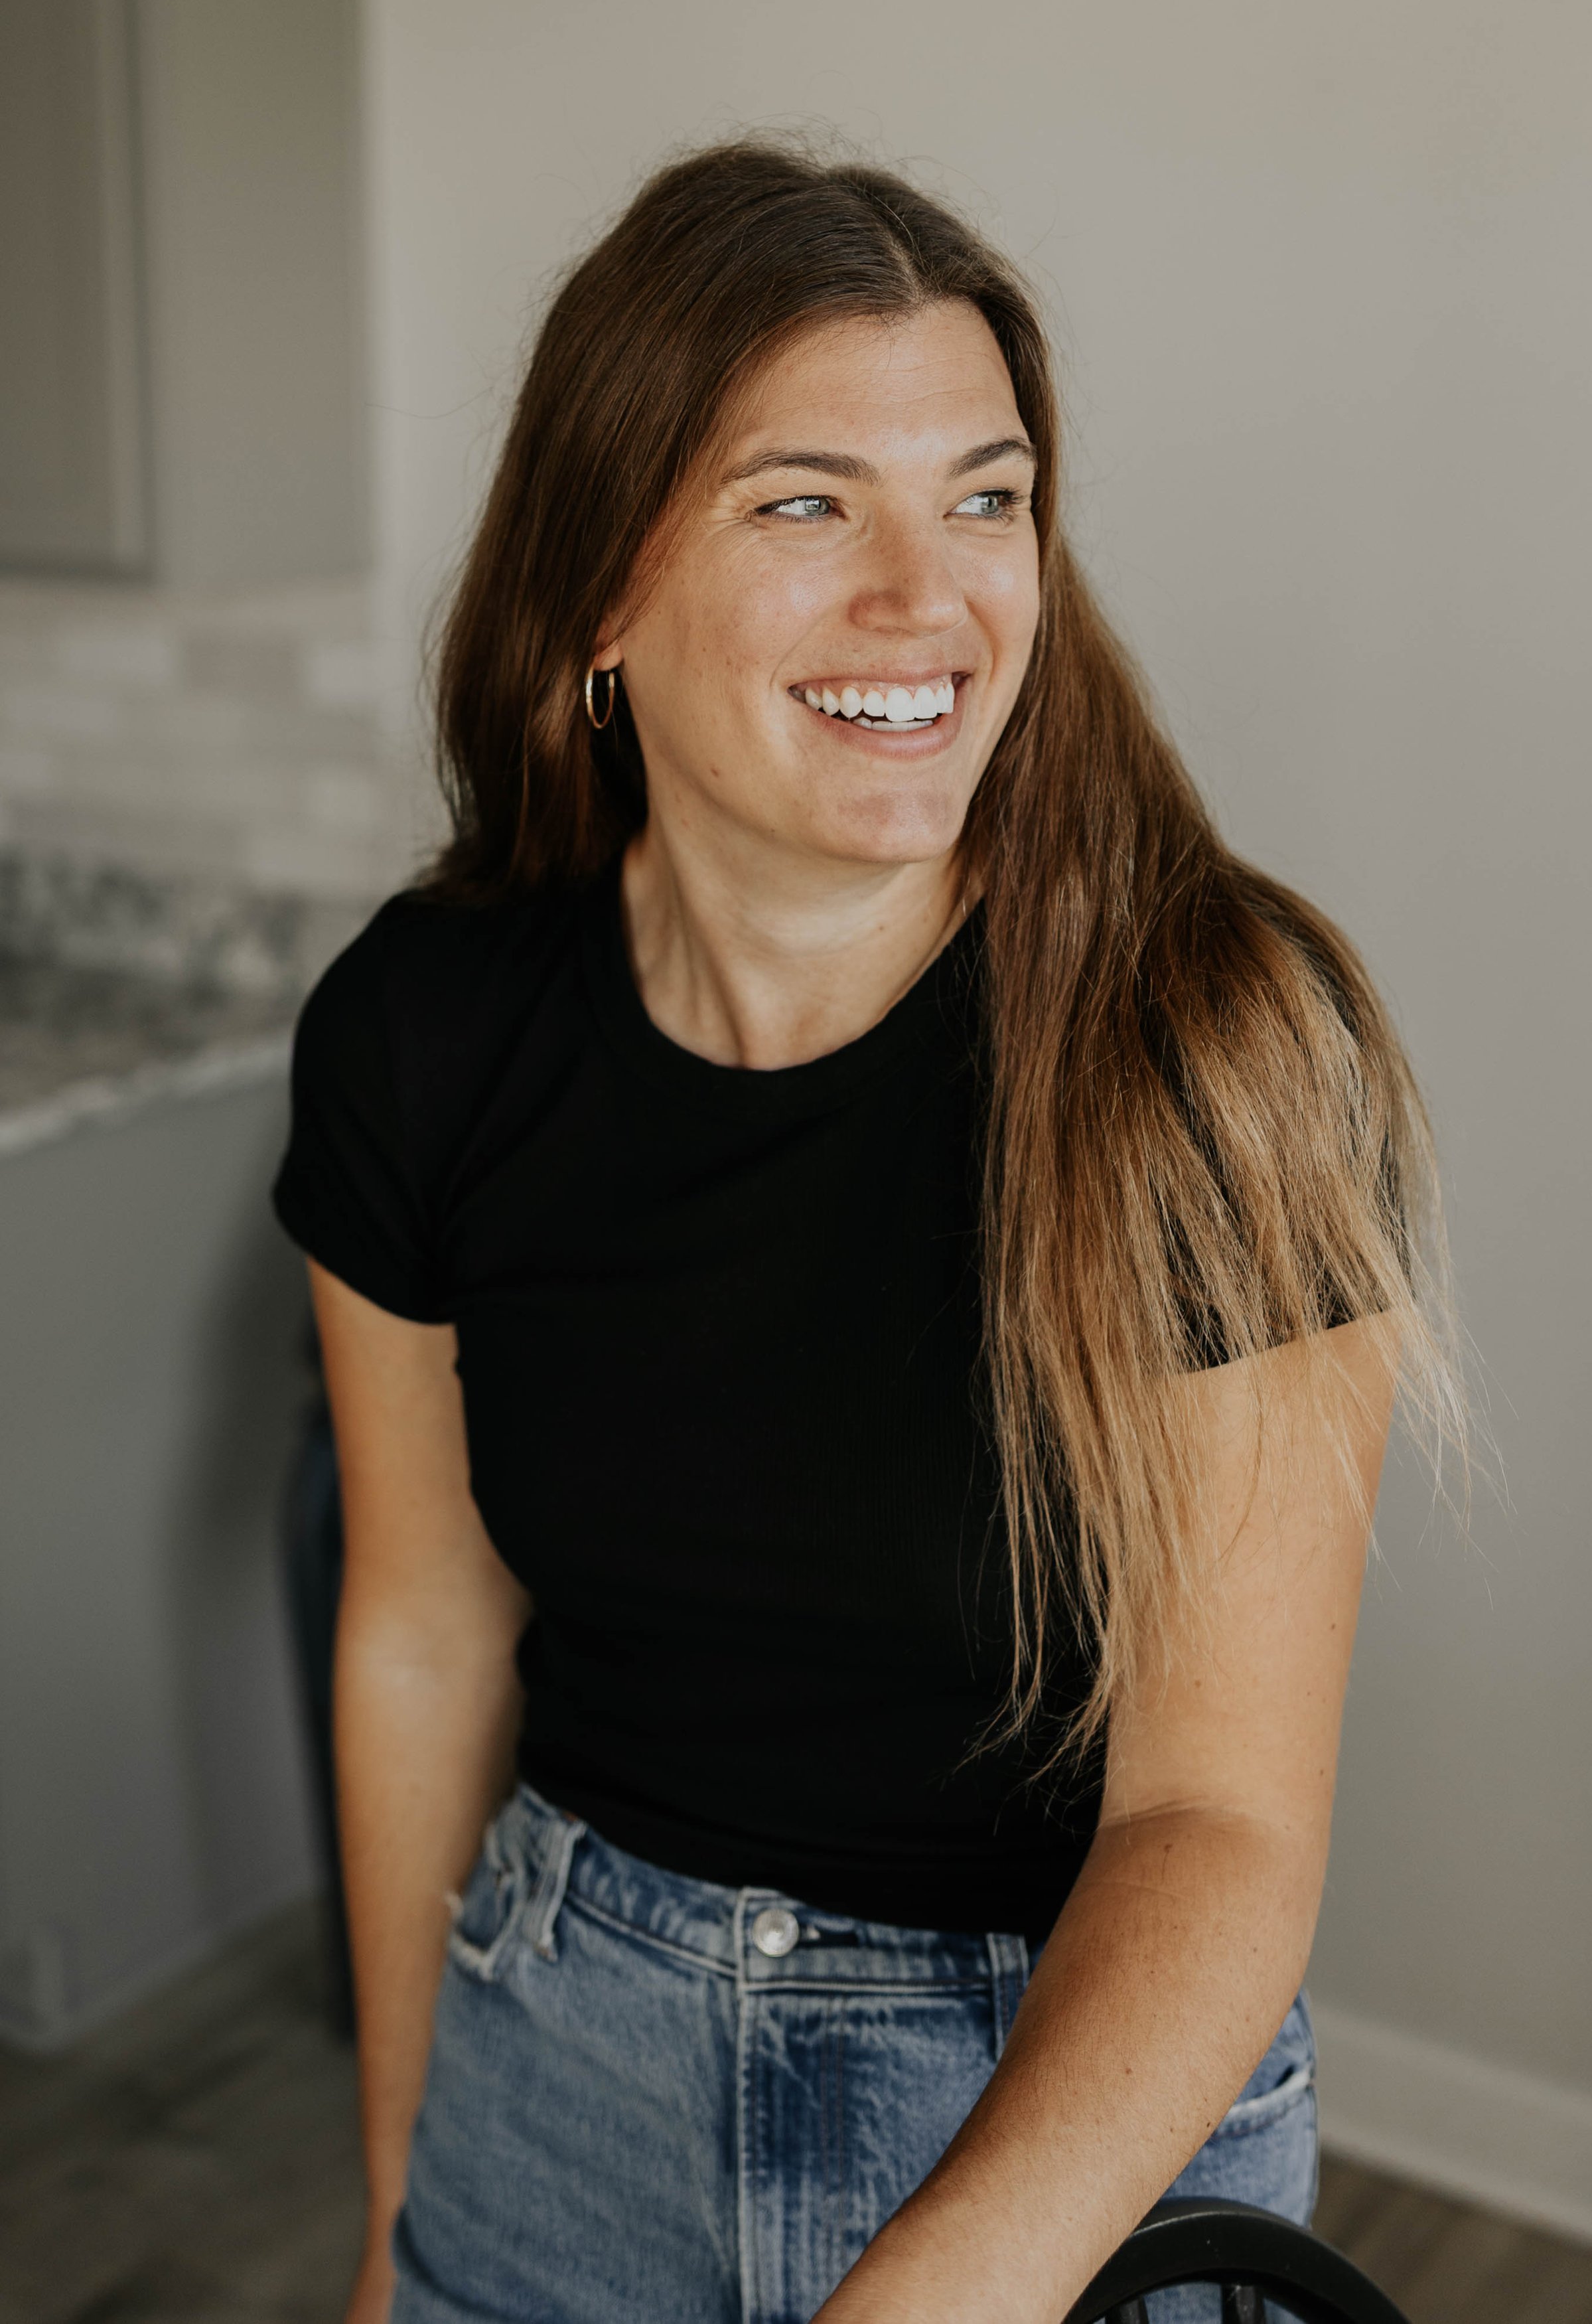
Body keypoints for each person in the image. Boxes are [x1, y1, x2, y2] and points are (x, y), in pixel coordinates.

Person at [273, 140, 1456, 2324]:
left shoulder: (1205, 1040)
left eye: (983, 497)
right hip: (560, 2065)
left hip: (1057, 2110)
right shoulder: (421, 1034)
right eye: (806, 502)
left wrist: (927, 2296)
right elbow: (423, 1629)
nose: (930, 599)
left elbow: (1219, 1826)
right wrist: (396, 2209)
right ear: (598, 591)